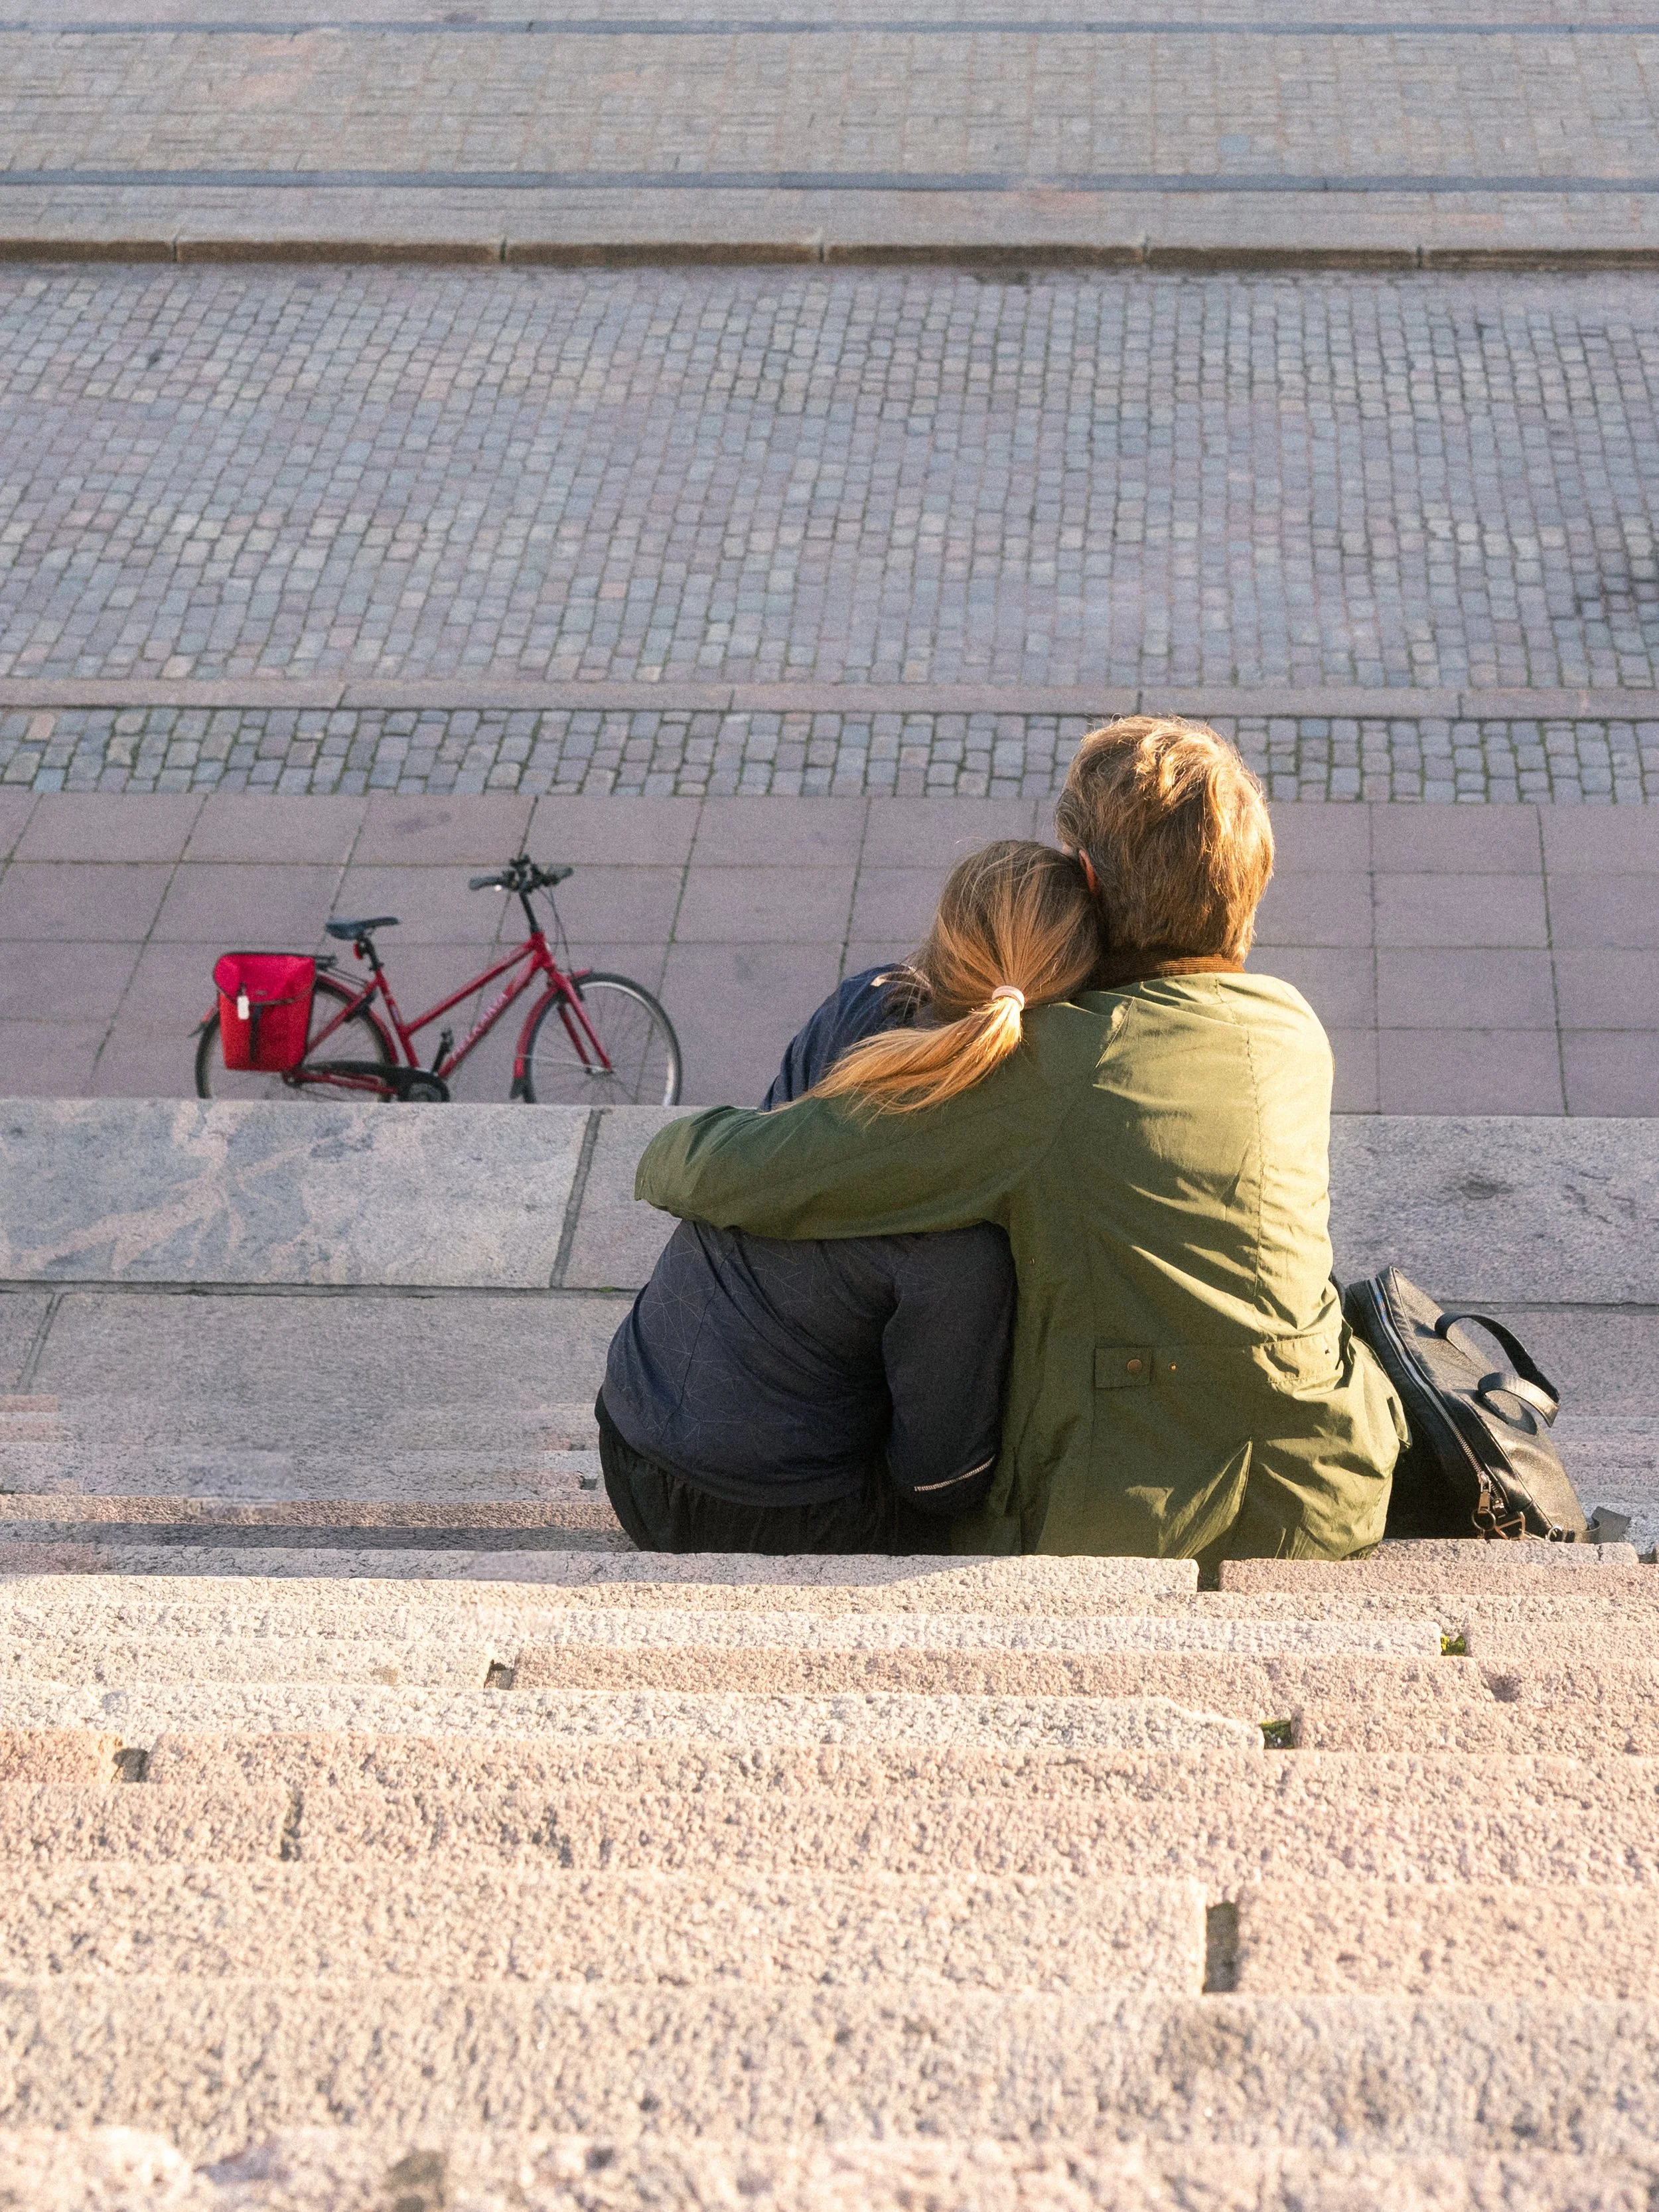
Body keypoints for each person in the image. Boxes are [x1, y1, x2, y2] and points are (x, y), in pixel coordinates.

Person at [636, 716, 1406, 1563]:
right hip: (1327, 1479)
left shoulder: (1051, 1071)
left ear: (1084, 877)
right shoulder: (1291, 1028)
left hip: (1140, 1509)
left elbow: (755, 1175)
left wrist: (670, 1149)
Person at [599, 841, 1103, 1554]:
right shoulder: (963, 1241)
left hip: (627, 1426)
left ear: (945, 937)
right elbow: (940, 1479)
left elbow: (766, 1173)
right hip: (757, 1505)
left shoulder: (862, 1002)